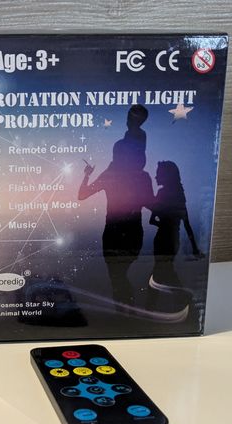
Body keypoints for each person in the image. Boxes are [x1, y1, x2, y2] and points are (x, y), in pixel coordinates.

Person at [78, 105, 154, 307]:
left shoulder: (111, 175)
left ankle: (125, 309)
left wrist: (87, 175)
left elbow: (82, 194)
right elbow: (152, 205)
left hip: (115, 233)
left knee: (116, 277)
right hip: (131, 232)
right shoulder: (142, 177)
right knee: (118, 277)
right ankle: (127, 309)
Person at [149, 161, 203, 289]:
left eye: (158, 174)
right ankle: (180, 295)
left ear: (166, 176)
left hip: (161, 240)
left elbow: (152, 220)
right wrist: (194, 248)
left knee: (161, 271)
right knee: (164, 270)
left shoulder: (161, 194)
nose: (155, 177)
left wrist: (163, 224)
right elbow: (187, 224)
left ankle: (180, 295)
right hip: (173, 241)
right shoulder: (179, 195)